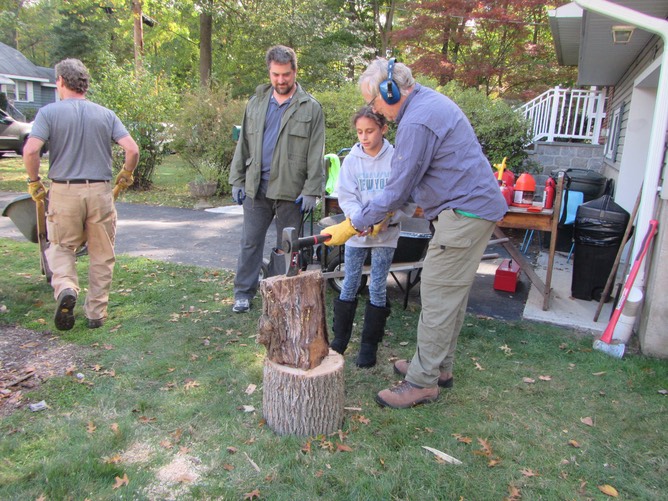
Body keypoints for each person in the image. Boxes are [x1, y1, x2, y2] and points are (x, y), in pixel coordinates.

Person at [323, 58, 507, 409]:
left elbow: (397, 188)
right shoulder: (425, 106)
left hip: (464, 215)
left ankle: (422, 382)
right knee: (450, 296)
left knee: (437, 296)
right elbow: (407, 187)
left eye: (374, 101)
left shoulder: (417, 121)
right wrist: (381, 213)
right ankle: (439, 368)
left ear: (390, 91)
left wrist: (353, 224)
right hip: (470, 212)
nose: (375, 109)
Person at [23, 58, 139, 331]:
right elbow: (132, 149)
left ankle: (66, 287)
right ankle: (96, 313)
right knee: (102, 253)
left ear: (61, 81)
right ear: (84, 84)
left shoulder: (49, 113)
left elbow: (31, 150)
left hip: (64, 191)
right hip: (100, 191)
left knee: (61, 247)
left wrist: (34, 181)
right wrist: (126, 173)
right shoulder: (105, 114)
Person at [229, 45, 325, 313]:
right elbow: (243, 145)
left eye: (286, 74)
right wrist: (237, 180)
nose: (281, 80)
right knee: (250, 242)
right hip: (256, 189)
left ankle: (284, 296)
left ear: (295, 72)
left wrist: (311, 190)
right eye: (275, 75)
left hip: (290, 192)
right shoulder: (256, 103)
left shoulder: (310, 108)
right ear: (269, 72)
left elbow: (316, 152)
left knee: (288, 247)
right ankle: (243, 293)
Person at [330, 106, 413, 368]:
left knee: (377, 286)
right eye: (359, 132)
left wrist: (389, 218)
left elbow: (406, 198)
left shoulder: (397, 159)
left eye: (370, 131)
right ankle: (339, 340)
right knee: (350, 282)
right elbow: (346, 196)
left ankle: (369, 345)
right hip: (357, 233)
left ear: (383, 129)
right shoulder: (352, 161)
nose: (364, 137)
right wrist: (359, 220)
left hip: (386, 235)